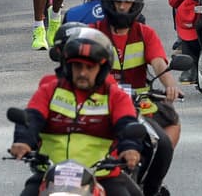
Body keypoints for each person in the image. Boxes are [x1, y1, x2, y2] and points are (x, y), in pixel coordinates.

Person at [8, 27, 145, 196]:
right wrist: (23, 141)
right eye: (77, 66)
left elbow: (127, 124)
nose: (82, 73)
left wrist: (130, 147)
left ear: (102, 69)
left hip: (102, 176)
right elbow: (31, 118)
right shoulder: (49, 90)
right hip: (51, 176)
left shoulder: (116, 96)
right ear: (68, 66)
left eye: (90, 67)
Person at [93, 0, 181, 196]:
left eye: (128, 2)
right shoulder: (93, 34)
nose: (122, 6)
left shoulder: (145, 33)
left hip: (140, 106)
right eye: (117, 1)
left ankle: (152, 187)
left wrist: (170, 85)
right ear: (107, 1)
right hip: (100, 105)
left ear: (136, 3)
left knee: (165, 139)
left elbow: (159, 63)